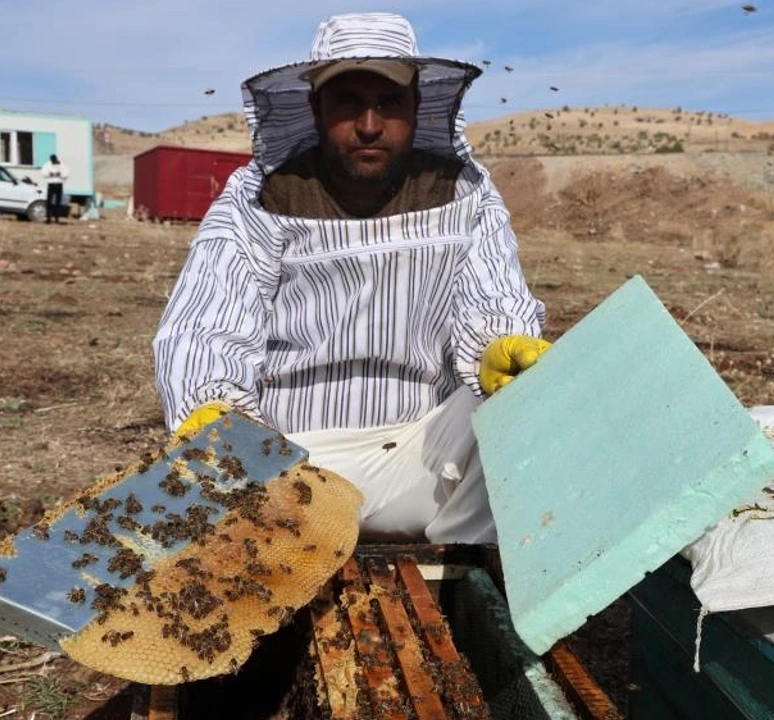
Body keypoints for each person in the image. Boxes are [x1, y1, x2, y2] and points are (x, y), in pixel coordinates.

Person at [152, 12, 549, 544]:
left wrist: (499, 346)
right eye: (347, 102)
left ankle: (461, 576)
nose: (368, 124)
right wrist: (212, 408)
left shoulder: (465, 194)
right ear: (315, 108)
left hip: (423, 451)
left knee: (522, 419)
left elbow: (492, 299)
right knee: (192, 489)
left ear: (417, 107)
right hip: (289, 462)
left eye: (389, 102)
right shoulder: (256, 200)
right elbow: (205, 328)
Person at [40, 154, 69, 223]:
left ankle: (57, 218)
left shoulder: (62, 164)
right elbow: (43, 173)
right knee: (49, 202)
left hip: (59, 184)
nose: (53, 162)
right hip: (51, 184)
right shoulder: (47, 165)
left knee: (58, 202)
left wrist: (60, 174)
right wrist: (50, 174)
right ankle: (48, 218)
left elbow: (66, 173)